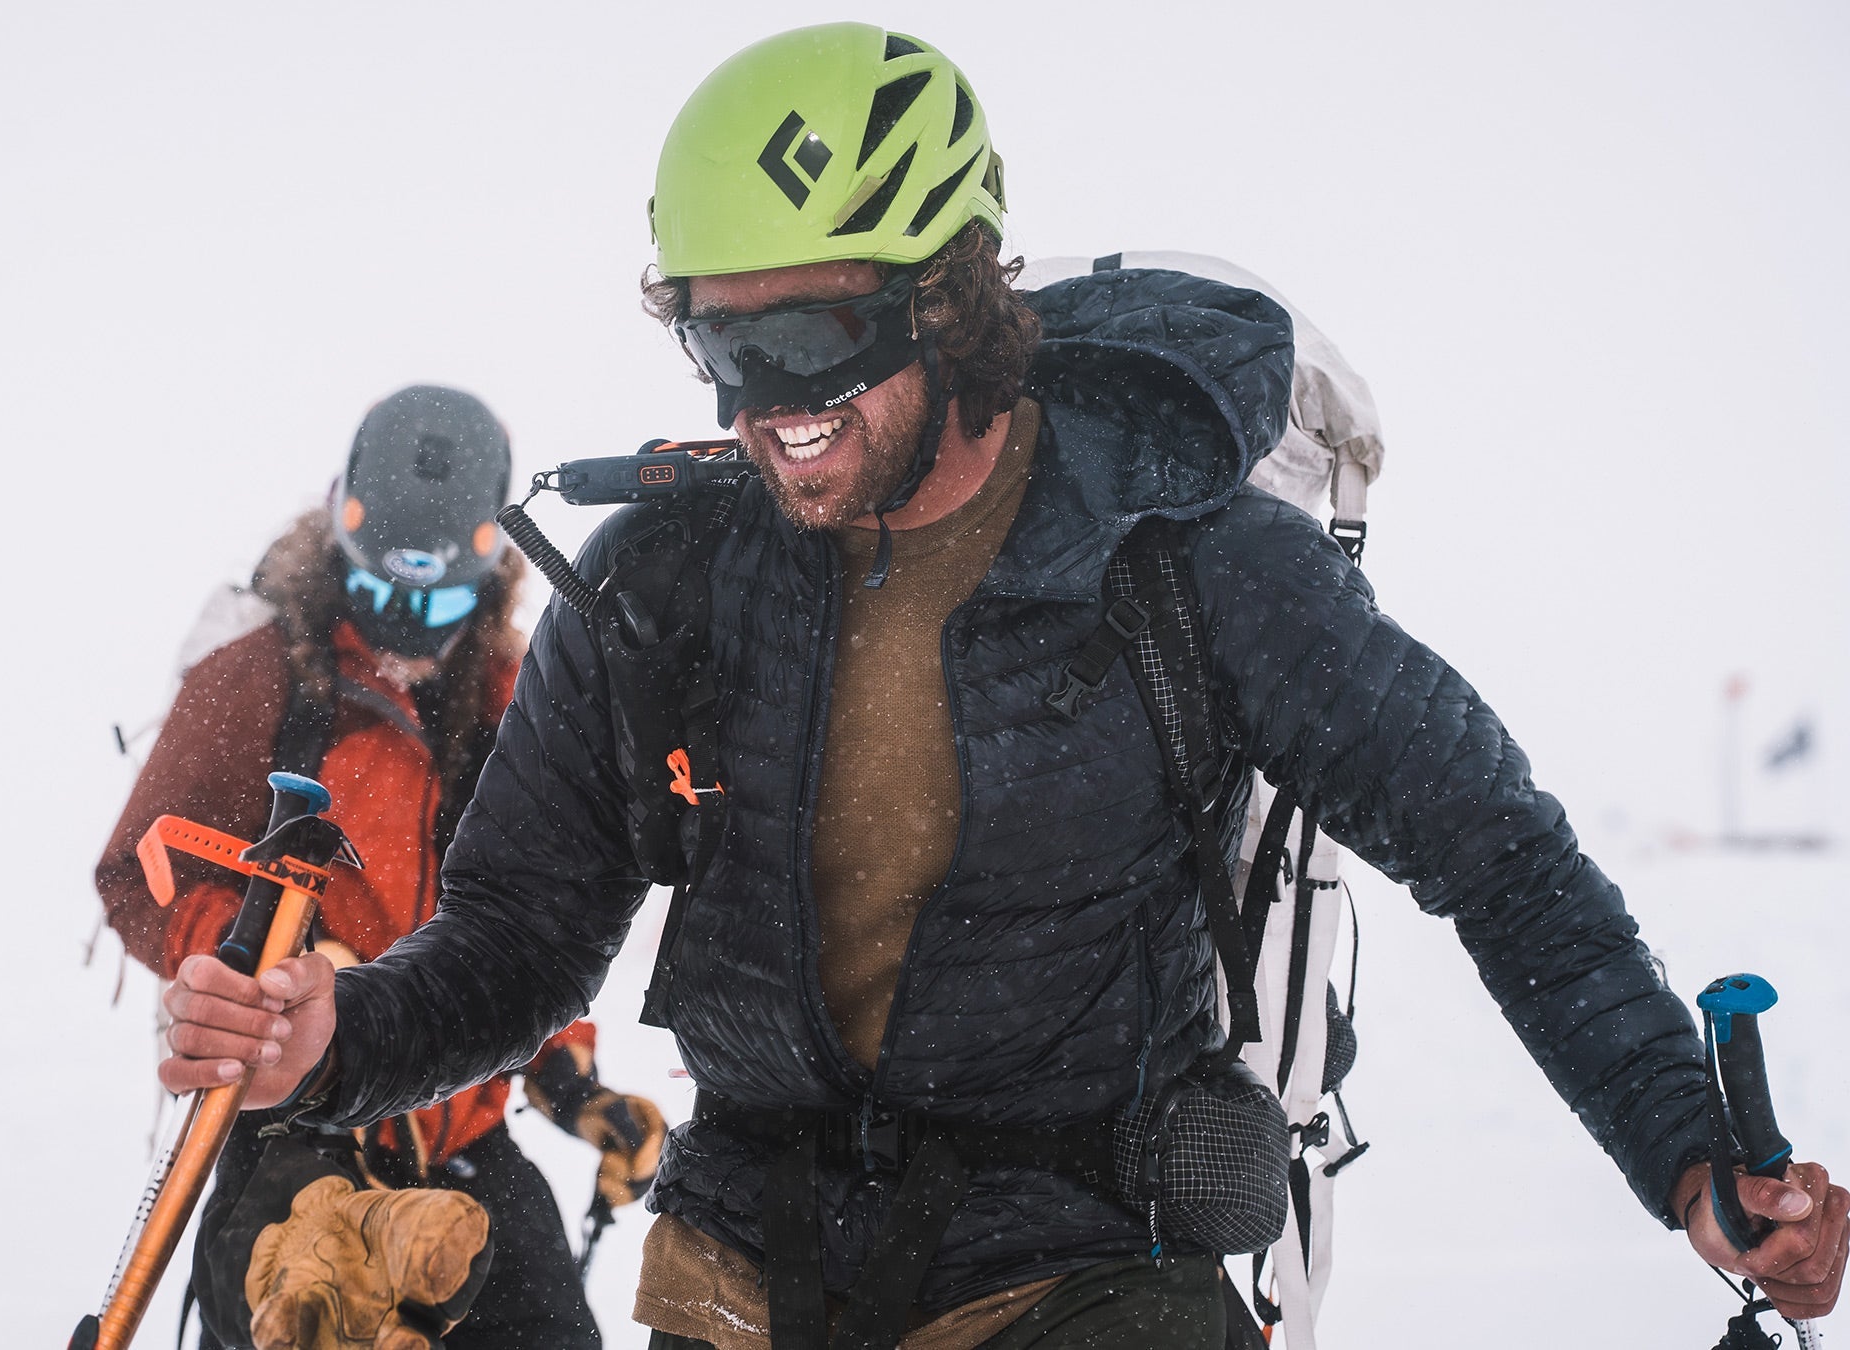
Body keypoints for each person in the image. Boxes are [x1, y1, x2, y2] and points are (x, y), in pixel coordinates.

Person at [151, 26, 1849, 1350]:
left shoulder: (1188, 558)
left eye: (813, 342)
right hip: (747, 1270)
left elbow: (1497, 851)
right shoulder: (668, 580)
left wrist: (1687, 1148)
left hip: (1084, 1267)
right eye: (725, 345)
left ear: (948, 300)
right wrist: (339, 1036)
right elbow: (521, 930)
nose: (767, 403)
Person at [95, 385, 662, 1350]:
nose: (407, 627)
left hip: (459, 1128)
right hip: (288, 1117)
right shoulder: (258, 679)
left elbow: (527, 921)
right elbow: (139, 873)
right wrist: (269, 959)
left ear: (491, 574)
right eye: (382, 594)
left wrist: (570, 1077)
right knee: (303, 1314)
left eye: (437, 602)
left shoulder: (514, 702)